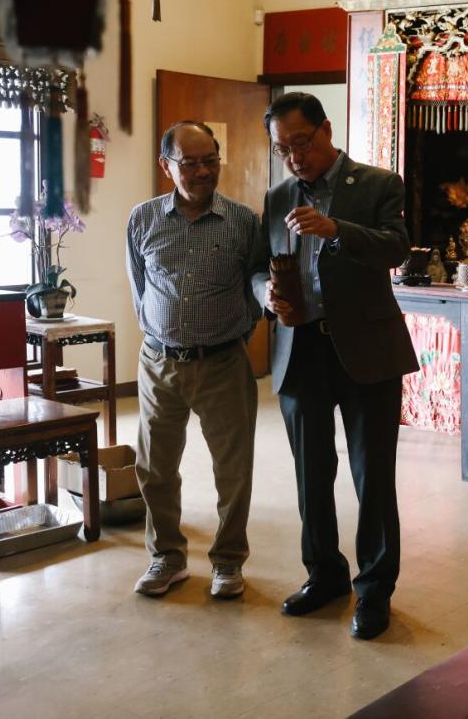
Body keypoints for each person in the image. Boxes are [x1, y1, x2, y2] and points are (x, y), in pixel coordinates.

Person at [252, 92, 418, 639]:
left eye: (301, 142)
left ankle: (375, 590)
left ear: (326, 130)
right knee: (311, 473)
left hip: (365, 350)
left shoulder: (376, 184)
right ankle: (324, 575)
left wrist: (337, 230)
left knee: (372, 476)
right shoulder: (276, 197)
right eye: (283, 149)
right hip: (300, 350)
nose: (294, 157)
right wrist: (264, 298)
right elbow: (258, 269)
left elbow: (396, 248)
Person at [125, 121, 262, 599]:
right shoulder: (142, 219)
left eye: (211, 160)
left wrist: (229, 338)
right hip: (158, 362)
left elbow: (256, 289)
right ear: (167, 166)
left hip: (223, 361)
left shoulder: (243, 221)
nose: (204, 171)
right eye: (191, 162)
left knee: (233, 468)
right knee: (154, 466)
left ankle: (227, 561)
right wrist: (163, 336)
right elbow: (140, 289)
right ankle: (167, 557)